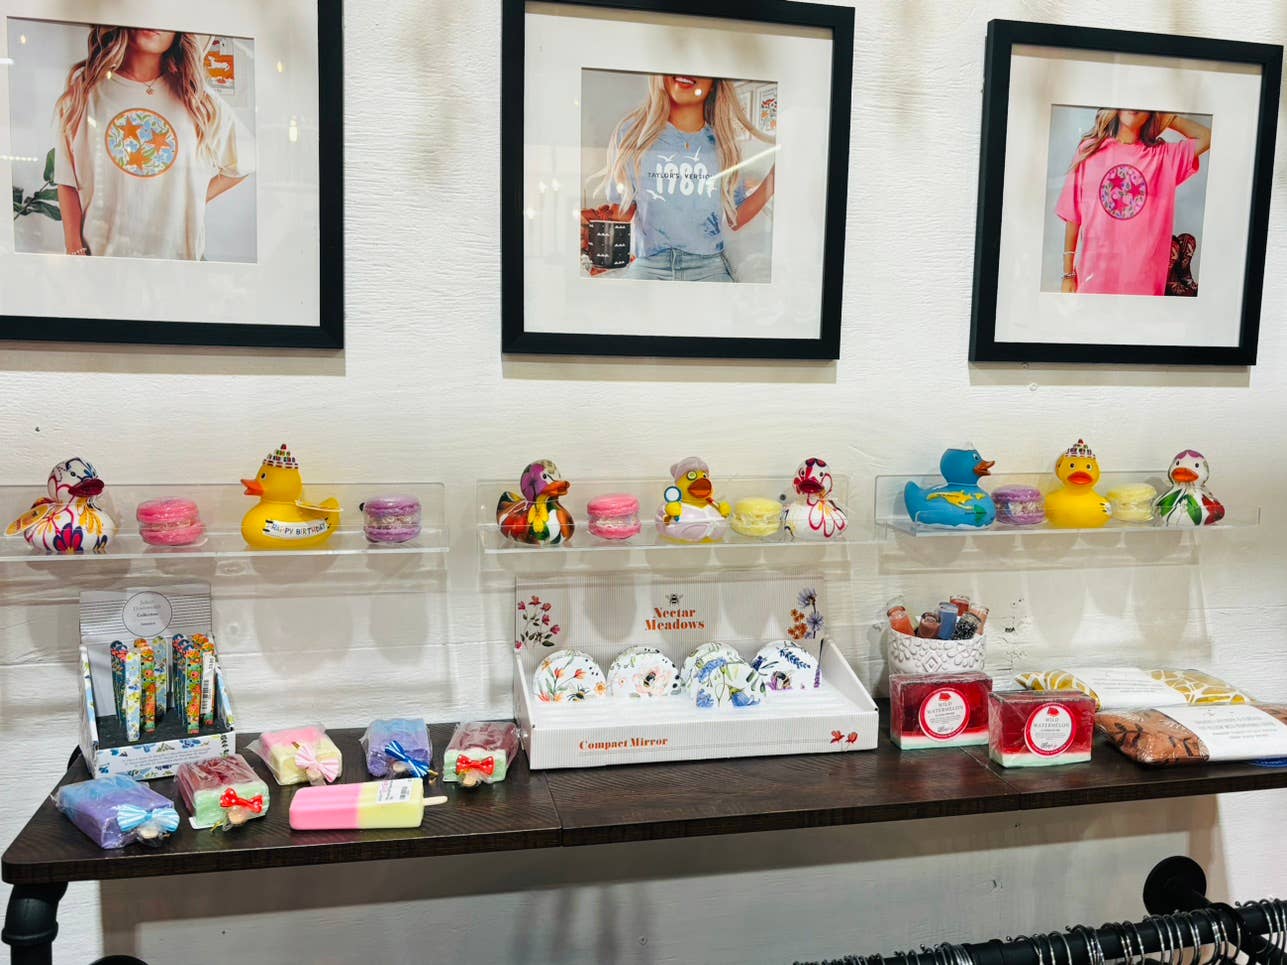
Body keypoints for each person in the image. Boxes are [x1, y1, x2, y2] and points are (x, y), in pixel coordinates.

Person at [52, 26, 253, 261]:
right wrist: (74, 250)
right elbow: (67, 179)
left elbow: (246, 162)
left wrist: (195, 198)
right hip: (102, 262)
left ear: (179, 34)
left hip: (178, 264)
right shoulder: (83, 96)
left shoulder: (198, 99)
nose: (155, 25)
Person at [592, 74, 775, 282]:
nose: (687, 72)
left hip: (709, 267)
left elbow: (735, 218)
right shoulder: (632, 134)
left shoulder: (724, 143)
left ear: (714, 82)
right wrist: (597, 233)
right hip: (650, 265)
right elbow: (622, 211)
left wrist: (774, 179)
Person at [1056, 109, 1210, 296]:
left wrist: (1168, 118)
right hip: (1093, 284)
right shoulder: (1090, 150)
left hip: (1144, 289)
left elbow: (1207, 137)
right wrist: (1068, 275)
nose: (1134, 108)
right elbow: (1073, 216)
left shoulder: (1163, 157)